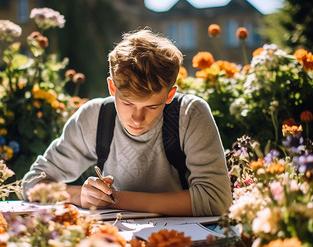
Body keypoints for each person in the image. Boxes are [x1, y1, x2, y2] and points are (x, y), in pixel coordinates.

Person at [21, 28, 232, 217]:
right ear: (112, 89)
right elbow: (32, 183)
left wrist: (116, 199)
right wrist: (80, 196)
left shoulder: (189, 114)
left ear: (169, 95)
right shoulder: (95, 117)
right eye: (127, 103)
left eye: (152, 106)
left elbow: (216, 199)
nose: (137, 119)